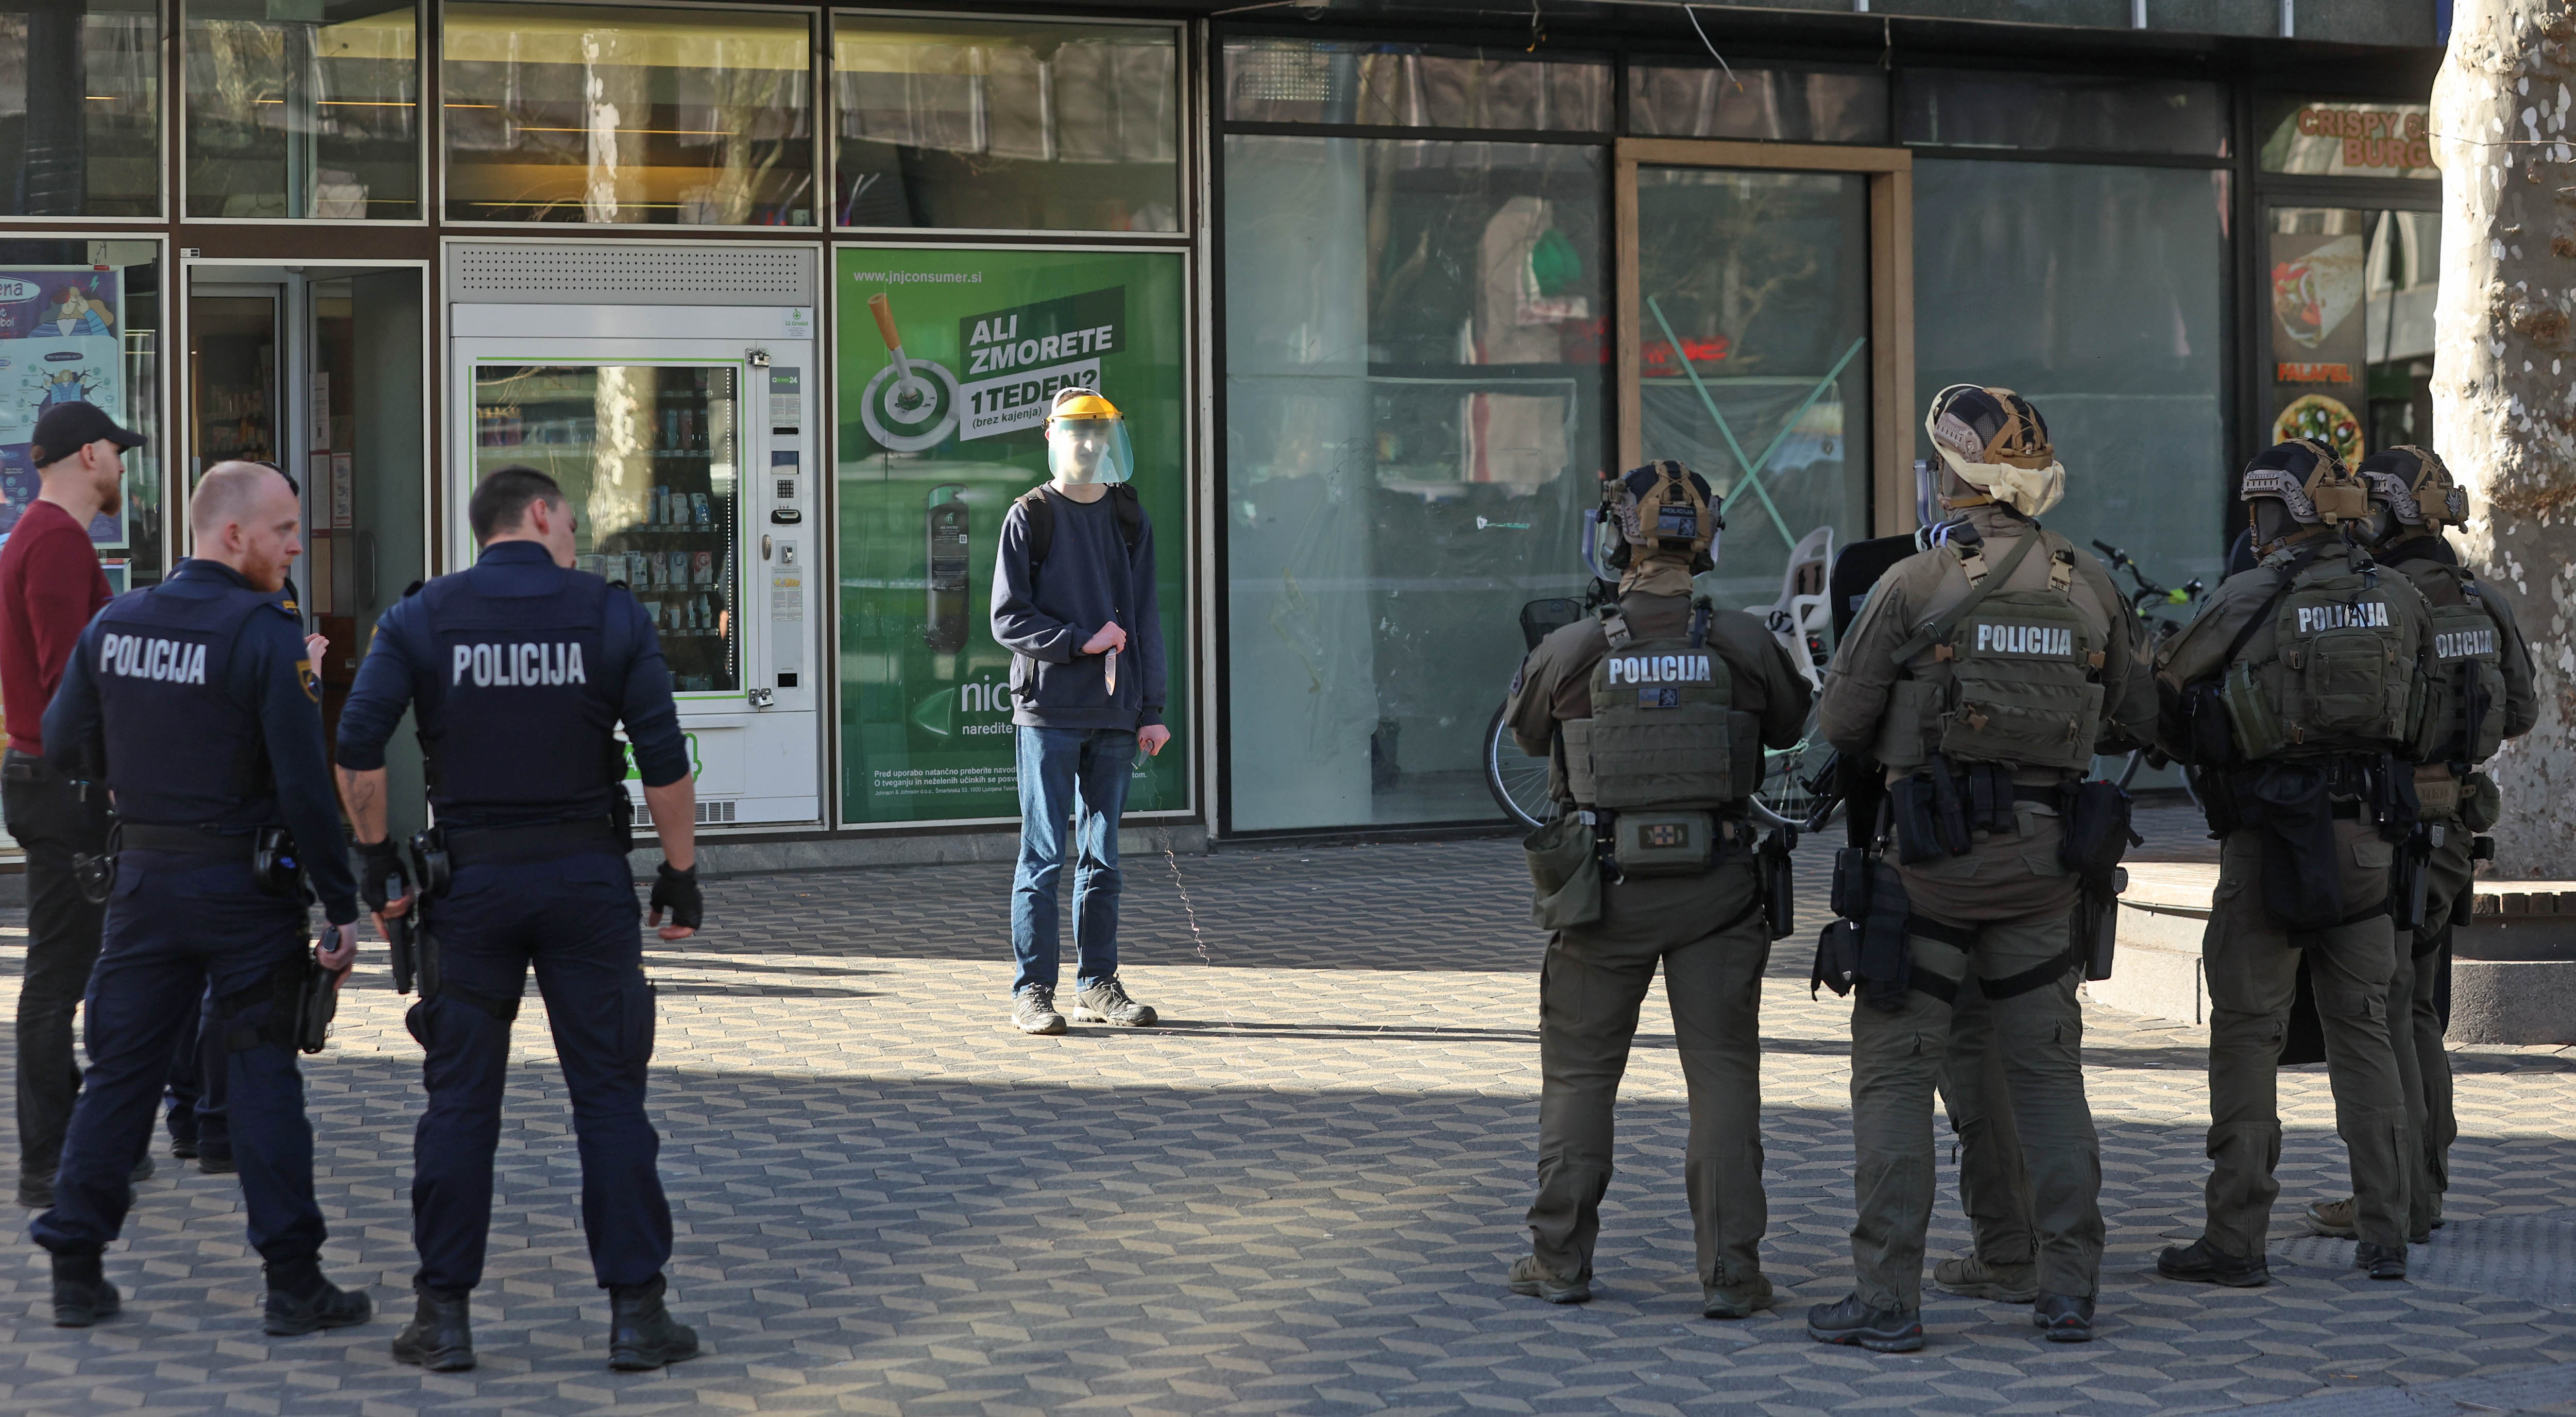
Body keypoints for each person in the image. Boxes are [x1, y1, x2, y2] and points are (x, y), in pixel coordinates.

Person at [333, 465, 703, 1373]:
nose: (575, 538)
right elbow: (664, 760)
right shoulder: (611, 615)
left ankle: (444, 1317)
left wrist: (379, 869)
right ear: (539, 514)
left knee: (460, 1104)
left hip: (471, 892)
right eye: (570, 521)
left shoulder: (421, 618)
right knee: (609, 1098)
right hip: (587, 885)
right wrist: (682, 877)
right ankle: (636, 1316)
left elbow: (355, 748)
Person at [1809, 386, 2154, 1350]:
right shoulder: (2087, 584)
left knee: (1892, 1075)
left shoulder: (1916, 584)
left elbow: (1839, 723)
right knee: (2046, 1078)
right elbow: (2138, 710)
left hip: (1926, 869)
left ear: (1956, 477)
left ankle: (1886, 1300)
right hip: (2048, 866)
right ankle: (2067, 1289)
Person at [28, 460, 369, 1334]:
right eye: (285, 530)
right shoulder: (264, 633)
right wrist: (342, 905)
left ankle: (76, 1264)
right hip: (244, 890)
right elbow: (303, 786)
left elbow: (63, 740)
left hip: (143, 882)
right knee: (261, 1078)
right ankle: (294, 1285)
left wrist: (128, 789)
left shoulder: (119, 620)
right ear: (233, 536)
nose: (297, 544)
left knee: (121, 1075)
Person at [1498, 461, 1811, 1319]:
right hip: (1718, 888)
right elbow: (1789, 726)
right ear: (1707, 541)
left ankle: (1559, 1259)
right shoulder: (1746, 642)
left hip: (1602, 894)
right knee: (1722, 1080)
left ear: (1616, 539)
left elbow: (1527, 739)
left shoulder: (1570, 648)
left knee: (1579, 1082)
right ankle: (1730, 1274)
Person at [2151, 438, 2435, 1286]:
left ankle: (2235, 1239)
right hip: (2368, 843)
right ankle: (2386, 1231)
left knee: (2246, 1032)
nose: (2255, 524)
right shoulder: (2400, 596)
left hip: (2267, 844)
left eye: (2260, 509)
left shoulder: (2252, 594)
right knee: (2367, 1032)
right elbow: (2428, 712)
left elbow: (2163, 685)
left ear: (2279, 511)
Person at [2298, 448, 2534, 1246]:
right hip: (2458, 825)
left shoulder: (2389, 596)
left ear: (2389, 511)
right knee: (2423, 1008)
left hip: (2393, 819)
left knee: (2388, 1010)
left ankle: (2394, 1201)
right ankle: (2424, 1188)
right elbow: (2524, 709)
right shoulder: (2481, 596)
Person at [990, 387, 1170, 1036]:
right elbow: (1007, 617)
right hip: (1049, 708)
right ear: (1051, 438)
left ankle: (1097, 984)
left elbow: (1145, 615)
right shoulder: (1029, 515)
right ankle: (1032, 991)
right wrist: (1077, 642)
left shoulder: (1128, 515)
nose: (1089, 446)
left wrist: (1152, 708)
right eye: (1077, 433)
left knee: (1104, 858)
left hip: (1118, 712)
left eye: (1099, 434)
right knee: (1043, 855)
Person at [2, 403, 145, 1209]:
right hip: (63, 786)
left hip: (47, 779)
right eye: (118, 453)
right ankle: (51, 1158)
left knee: (73, 966)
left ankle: (84, 1141)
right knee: (60, 977)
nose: (124, 467)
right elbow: (69, 690)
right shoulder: (56, 541)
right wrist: (114, 773)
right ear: (88, 453)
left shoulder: (41, 534)